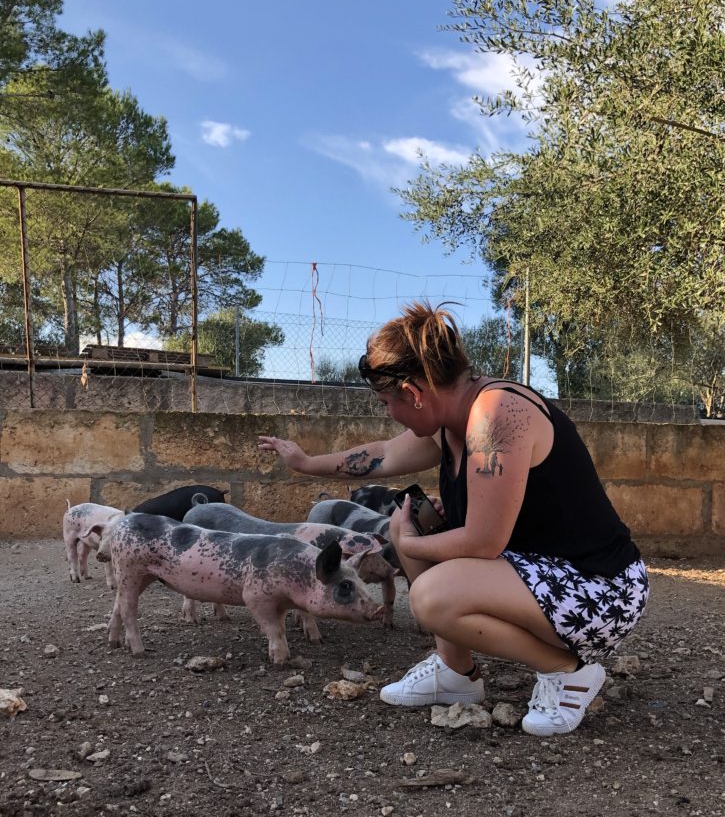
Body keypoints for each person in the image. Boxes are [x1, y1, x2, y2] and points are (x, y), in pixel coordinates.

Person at [258, 301, 649, 737]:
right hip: (542, 575)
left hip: (601, 589)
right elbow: (383, 454)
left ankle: (569, 671)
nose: (389, 412)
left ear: (414, 393)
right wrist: (305, 462)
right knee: (408, 524)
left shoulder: (499, 414)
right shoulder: (452, 422)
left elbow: (483, 541)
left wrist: (409, 546)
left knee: (429, 594)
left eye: (388, 401)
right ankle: (455, 672)